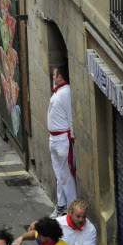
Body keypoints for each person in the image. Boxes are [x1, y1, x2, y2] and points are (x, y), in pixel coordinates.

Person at [47, 66, 76, 217]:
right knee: (59, 175)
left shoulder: (66, 92)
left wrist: (72, 137)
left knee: (66, 175)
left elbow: (70, 115)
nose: (53, 77)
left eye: (55, 75)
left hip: (63, 139)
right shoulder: (59, 90)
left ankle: (72, 208)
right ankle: (61, 205)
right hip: (53, 138)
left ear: (60, 77)